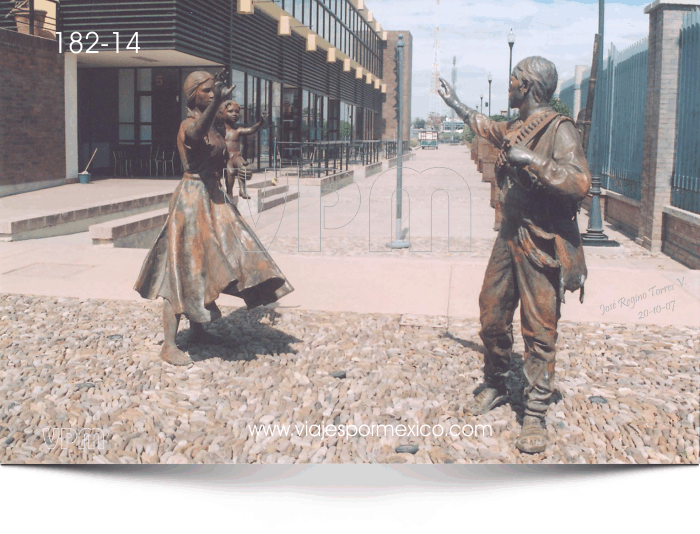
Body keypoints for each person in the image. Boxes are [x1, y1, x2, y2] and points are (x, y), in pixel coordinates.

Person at [439, 56, 591, 454]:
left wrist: (534, 160)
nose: (508, 87)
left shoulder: (559, 129)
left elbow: (578, 181)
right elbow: (484, 126)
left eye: (512, 81)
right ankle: (496, 383)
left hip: (541, 239)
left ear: (527, 87)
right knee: (491, 313)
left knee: (539, 329)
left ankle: (536, 412)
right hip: (509, 234)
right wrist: (455, 103)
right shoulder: (514, 127)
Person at [134, 69, 294, 366]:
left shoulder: (216, 128)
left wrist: (238, 164)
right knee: (184, 269)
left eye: (214, 91)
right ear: (193, 94)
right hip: (192, 200)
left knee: (220, 259)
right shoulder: (189, 125)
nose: (212, 96)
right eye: (206, 91)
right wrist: (214, 105)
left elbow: (225, 154)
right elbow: (195, 138)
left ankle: (198, 330)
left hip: (214, 196)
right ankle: (169, 344)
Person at [216, 100, 272, 199]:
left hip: (236, 156)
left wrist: (261, 122)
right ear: (222, 113)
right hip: (227, 157)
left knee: (243, 166)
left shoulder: (238, 130)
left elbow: (251, 130)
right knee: (230, 172)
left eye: (237, 112)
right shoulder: (220, 131)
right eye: (230, 111)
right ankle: (229, 193)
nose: (234, 114)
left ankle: (242, 189)